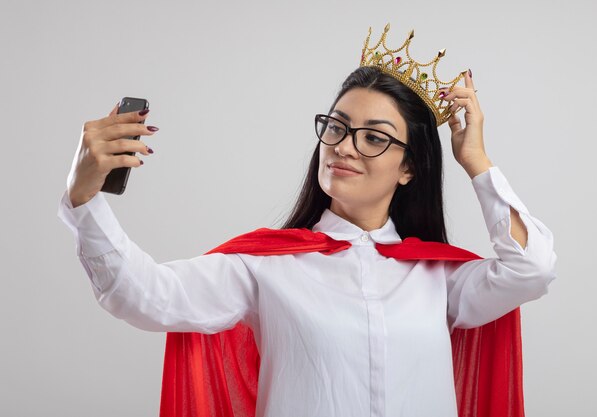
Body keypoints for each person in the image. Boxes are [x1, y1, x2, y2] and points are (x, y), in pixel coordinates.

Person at [58, 25, 556, 417]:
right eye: (336, 127)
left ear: (410, 168)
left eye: (374, 137)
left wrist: (477, 162)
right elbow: (142, 295)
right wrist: (83, 197)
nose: (344, 146)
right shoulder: (264, 267)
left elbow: (531, 270)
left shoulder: (442, 281)